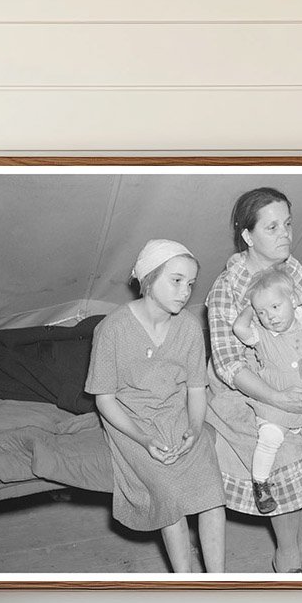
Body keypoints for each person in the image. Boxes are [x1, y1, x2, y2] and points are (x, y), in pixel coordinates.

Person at [206, 188, 302, 573]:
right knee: (284, 455)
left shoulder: (297, 272)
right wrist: (278, 398)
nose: (285, 234)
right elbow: (229, 364)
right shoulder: (228, 287)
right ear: (247, 235)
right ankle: (287, 555)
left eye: (288, 224)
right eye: (272, 227)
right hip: (247, 391)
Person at [85, 239, 226, 573]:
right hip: (132, 422)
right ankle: (185, 581)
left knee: (212, 493)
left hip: (178, 416)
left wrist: (194, 427)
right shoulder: (113, 330)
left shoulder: (190, 327)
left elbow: (196, 390)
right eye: (176, 280)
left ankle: (219, 582)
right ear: (148, 280)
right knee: (169, 493)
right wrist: (144, 440)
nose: (185, 291)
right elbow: (104, 400)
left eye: (190, 283)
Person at [231, 265, 302, 515]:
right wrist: (251, 308)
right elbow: (239, 328)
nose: (270, 316)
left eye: (276, 307)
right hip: (275, 407)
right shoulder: (261, 336)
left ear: (292, 302)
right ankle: (261, 485)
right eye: (263, 312)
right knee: (269, 438)